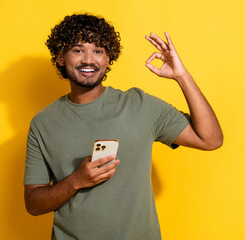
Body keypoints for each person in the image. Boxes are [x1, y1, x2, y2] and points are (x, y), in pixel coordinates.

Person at [24, 13, 223, 240]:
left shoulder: (140, 105)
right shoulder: (43, 123)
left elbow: (211, 140)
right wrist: (76, 181)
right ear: (61, 57)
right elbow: (33, 203)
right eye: (78, 50)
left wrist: (182, 76)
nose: (89, 59)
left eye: (98, 51)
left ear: (109, 59)